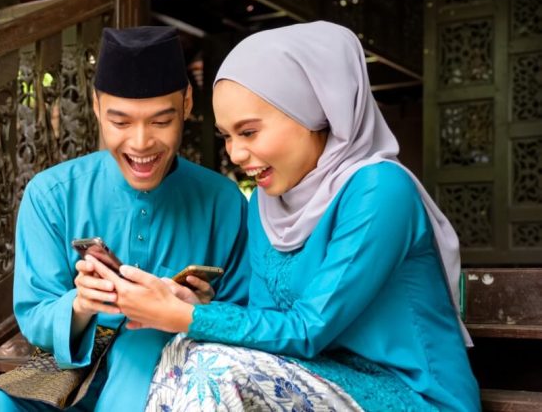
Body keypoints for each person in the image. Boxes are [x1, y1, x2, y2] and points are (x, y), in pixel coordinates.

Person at [87, 21, 481, 411]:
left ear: (310, 111)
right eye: (227, 136)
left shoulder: (380, 190)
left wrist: (188, 315)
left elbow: (310, 329)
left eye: (248, 132)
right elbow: (266, 322)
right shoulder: (265, 203)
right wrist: (195, 307)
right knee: (184, 348)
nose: (235, 154)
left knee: (212, 365)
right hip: (313, 376)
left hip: (409, 393)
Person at [0, 26, 249, 412]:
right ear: (96, 107)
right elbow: (36, 315)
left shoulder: (224, 202)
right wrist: (81, 304)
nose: (141, 143)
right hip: (60, 372)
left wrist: (195, 312)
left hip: (171, 372)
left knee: (142, 341)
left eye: (161, 122)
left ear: (186, 104)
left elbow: (246, 316)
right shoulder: (52, 194)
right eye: (121, 123)